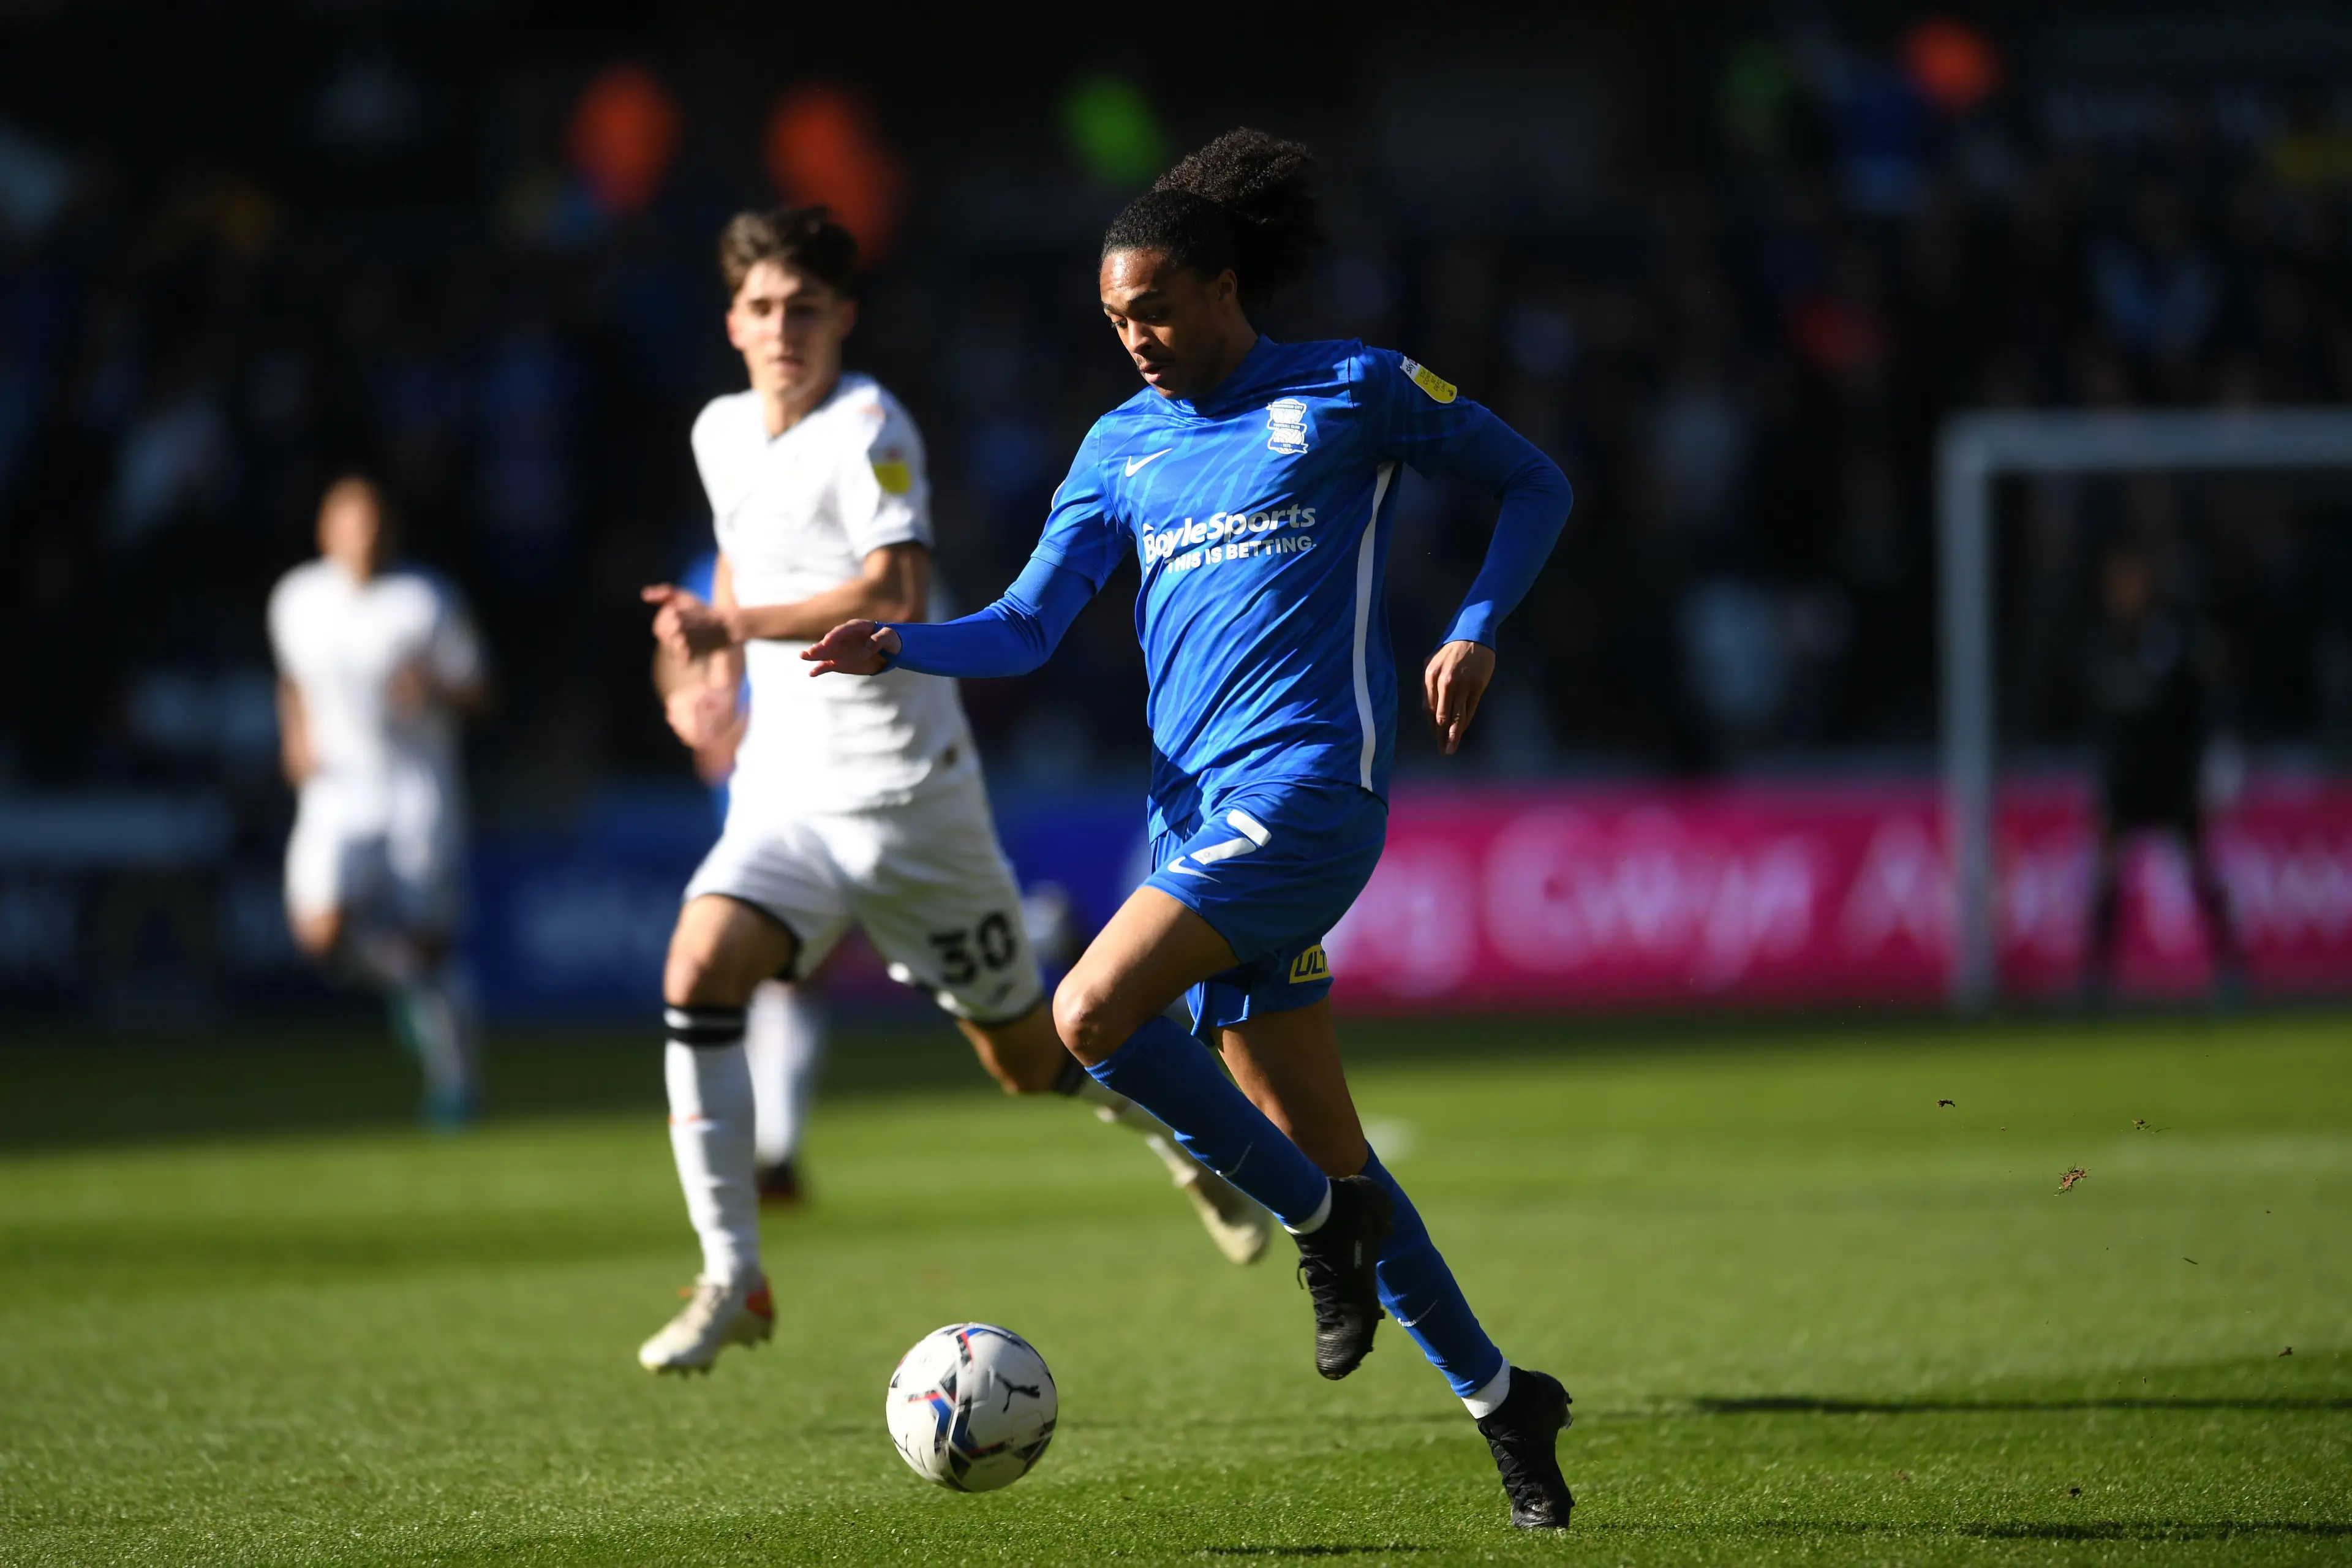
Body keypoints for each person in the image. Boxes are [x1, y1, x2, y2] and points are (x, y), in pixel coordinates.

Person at [804, 131, 1579, 1529]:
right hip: (1190, 820)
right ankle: (1501, 1397)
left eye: (1155, 310)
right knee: (1328, 1143)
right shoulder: (1121, 447)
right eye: (1116, 320)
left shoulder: (1350, 388)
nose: (1136, 339)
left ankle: (1321, 1228)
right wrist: (900, 644)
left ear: (1224, 286)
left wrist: (1473, 626)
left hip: (1309, 794)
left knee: (1089, 1012)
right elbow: (1028, 624)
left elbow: (1537, 482)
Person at [636, 206, 1272, 1376]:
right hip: (783, 796)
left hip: (907, 805)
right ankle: (733, 1274)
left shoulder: (869, 426)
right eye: (763, 309)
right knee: (698, 970)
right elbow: (736, 559)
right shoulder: (720, 430)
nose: (783, 330)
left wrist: (734, 626)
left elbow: (896, 587)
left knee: (1026, 1061)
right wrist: (712, 675)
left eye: (805, 309)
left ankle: (1192, 1140)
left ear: (843, 317)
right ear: (733, 322)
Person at [270, 475, 486, 1128]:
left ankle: (455, 1083)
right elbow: (292, 679)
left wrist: (436, 686)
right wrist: (295, 736)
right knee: (320, 930)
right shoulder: (297, 599)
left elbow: (481, 689)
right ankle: (403, 986)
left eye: (372, 523)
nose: (361, 536)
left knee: (430, 945)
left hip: (416, 790)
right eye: (348, 522)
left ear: (390, 530)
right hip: (337, 788)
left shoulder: (426, 600)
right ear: (325, 530)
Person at [655, 547, 827, 1205]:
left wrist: (751, 722)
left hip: (826, 789)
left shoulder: (826, 556)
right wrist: (695, 710)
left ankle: (774, 1152)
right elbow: (674, 658)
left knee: (790, 976)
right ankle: (773, 1152)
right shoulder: (711, 568)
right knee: (767, 978)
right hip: (747, 801)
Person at [2082, 535, 2242, 1000]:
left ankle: (2230, 968)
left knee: (2199, 869)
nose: (2122, 592)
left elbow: (2205, 701)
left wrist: (2212, 756)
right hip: (2126, 781)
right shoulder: (2102, 643)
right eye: (2115, 584)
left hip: (2172, 778)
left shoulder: (2174, 638)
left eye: (2130, 581)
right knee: (2105, 876)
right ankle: (2096, 977)